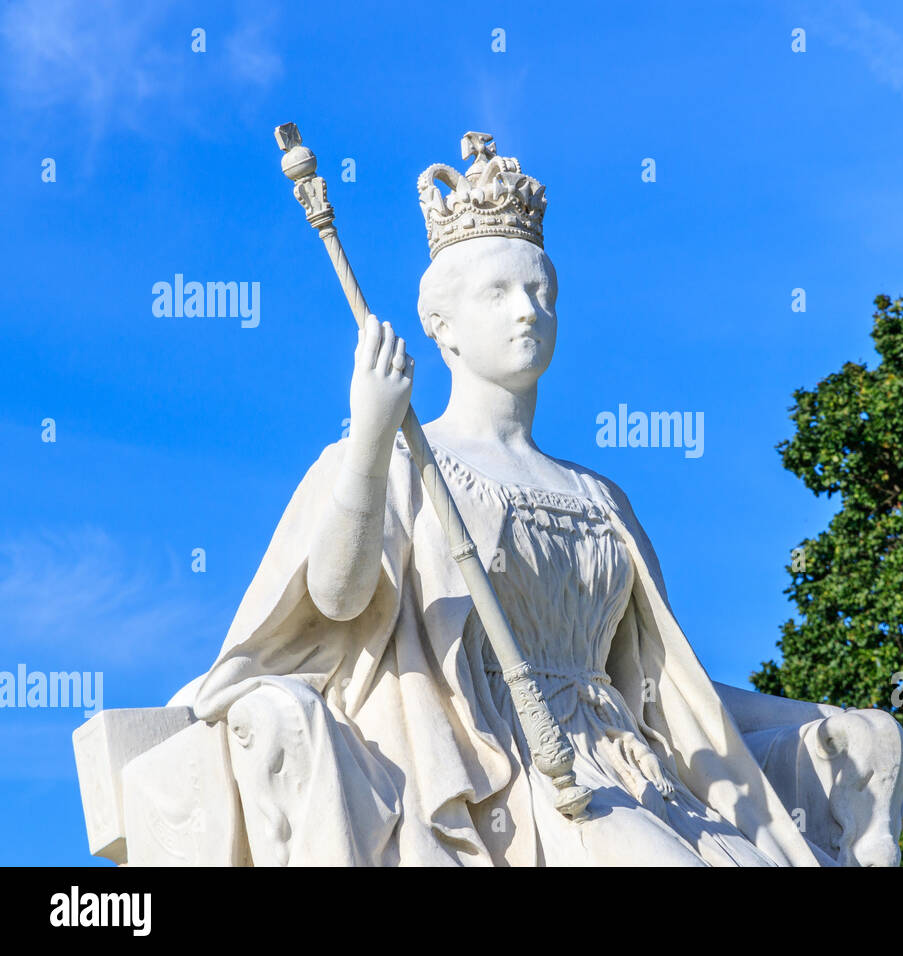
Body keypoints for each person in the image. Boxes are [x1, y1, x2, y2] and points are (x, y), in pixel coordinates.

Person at [183, 132, 822, 866]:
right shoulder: (398, 459)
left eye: (541, 293)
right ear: (441, 326)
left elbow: (672, 689)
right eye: (499, 293)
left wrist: (823, 720)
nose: (528, 311)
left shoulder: (599, 496)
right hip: (504, 775)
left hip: (637, 775)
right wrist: (368, 433)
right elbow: (336, 595)